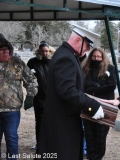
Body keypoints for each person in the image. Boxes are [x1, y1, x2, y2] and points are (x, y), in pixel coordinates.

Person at [37, 25, 104, 160]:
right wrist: (92, 106)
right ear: (78, 41)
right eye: (87, 45)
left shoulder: (66, 54)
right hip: (62, 123)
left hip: (61, 121)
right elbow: (67, 90)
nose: (88, 49)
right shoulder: (66, 58)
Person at [0, 36, 38, 159]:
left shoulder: (17, 63)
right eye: (1, 49)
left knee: (11, 137)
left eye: (7, 49)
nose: (5, 51)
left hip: (12, 110)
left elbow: (31, 79)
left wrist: (31, 95)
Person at [81, 48, 117, 160]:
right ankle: (90, 157)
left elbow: (111, 85)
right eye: (94, 56)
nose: (96, 59)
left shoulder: (110, 68)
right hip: (88, 104)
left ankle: (98, 157)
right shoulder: (86, 68)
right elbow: (83, 83)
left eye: (99, 57)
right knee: (89, 134)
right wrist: (96, 86)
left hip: (104, 105)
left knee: (100, 136)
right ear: (90, 57)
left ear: (103, 57)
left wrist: (93, 88)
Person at [27, 41, 55, 150]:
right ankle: (39, 143)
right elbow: (28, 77)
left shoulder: (53, 62)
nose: (45, 53)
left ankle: (50, 143)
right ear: (39, 51)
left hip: (51, 98)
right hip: (38, 97)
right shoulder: (33, 62)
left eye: (47, 51)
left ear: (50, 51)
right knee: (39, 121)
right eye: (43, 51)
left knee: (51, 121)